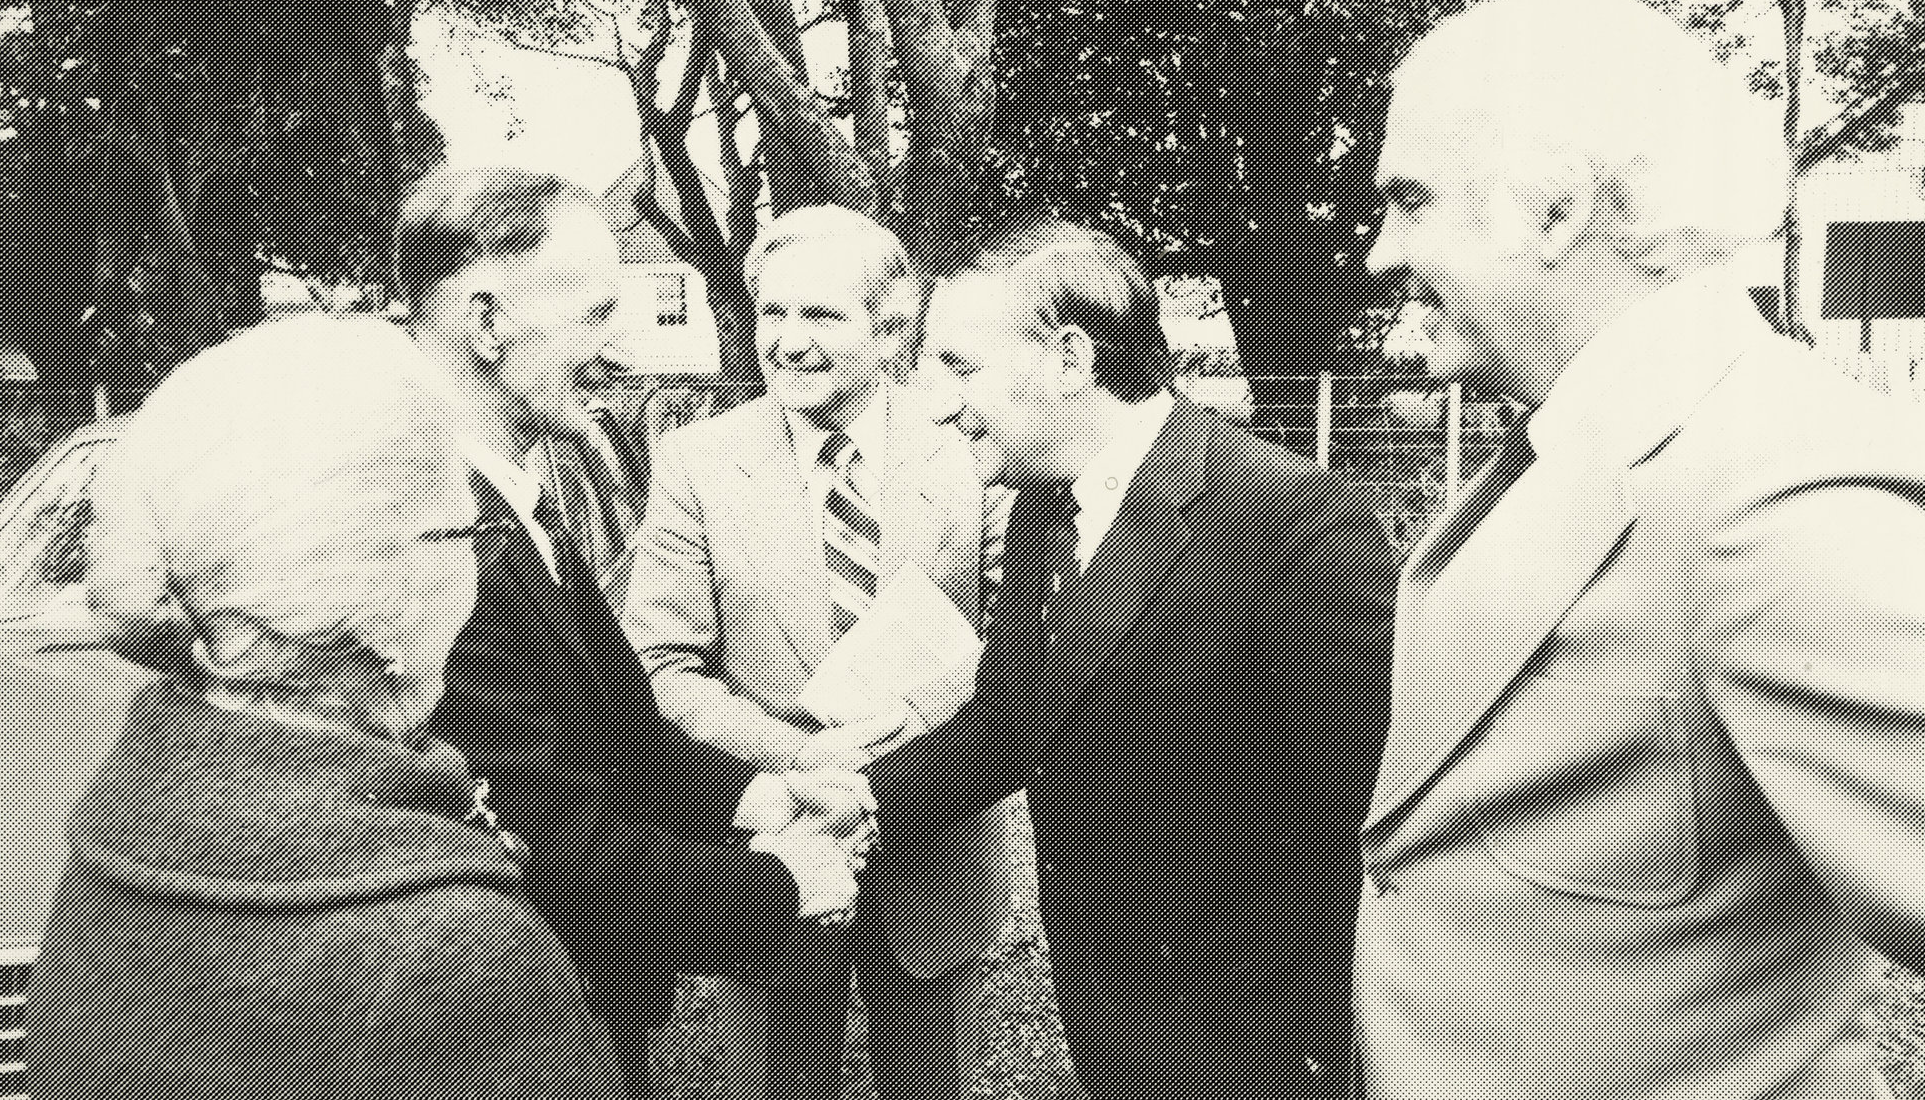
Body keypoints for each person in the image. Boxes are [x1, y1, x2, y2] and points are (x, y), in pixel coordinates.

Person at [1356, 0, 1925, 1100]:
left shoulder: (1780, 488)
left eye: (1411, 198)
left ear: (1556, 211)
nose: (1377, 251)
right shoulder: (1583, 444)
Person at [750, 221, 1396, 1100]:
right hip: (1112, 1019)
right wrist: (868, 798)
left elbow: (1363, 833)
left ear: (1068, 359)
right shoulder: (1038, 506)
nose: (934, 402)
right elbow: (1017, 717)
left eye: (959, 366)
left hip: (1257, 1047)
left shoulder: (1295, 527)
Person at [22, 315, 746, 1098]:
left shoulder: (111, 839)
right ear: (386, 608)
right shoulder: (455, 953)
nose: (477, 562)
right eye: (467, 532)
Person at [399, 169, 866, 1094]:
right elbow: (553, 846)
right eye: (595, 314)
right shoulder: (433, 537)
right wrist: (785, 884)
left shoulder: (515, 499)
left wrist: (766, 798)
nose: (622, 352)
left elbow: (625, 742)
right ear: (487, 320)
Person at [622, 205, 1016, 1100]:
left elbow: (1016, 648)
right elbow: (664, 670)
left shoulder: (968, 449)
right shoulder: (696, 463)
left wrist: (899, 740)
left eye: (822, 316)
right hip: (774, 852)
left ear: (888, 331)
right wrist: (802, 759)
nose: (788, 342)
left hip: (933, 851)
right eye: (773, 313)